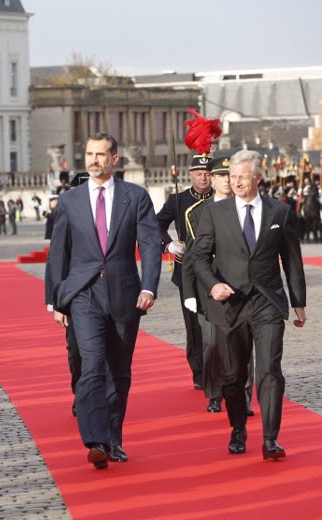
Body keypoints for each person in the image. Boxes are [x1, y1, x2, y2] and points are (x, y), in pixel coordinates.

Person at [49, 132, 161, 469]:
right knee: (92, 365)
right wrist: (55, 302)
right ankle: (95, 440)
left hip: (125, 294)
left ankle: (113, 439)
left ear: (114, 159)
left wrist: (149, 287)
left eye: (100, 154)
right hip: (84, 294)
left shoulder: (135, 197)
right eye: (89, 154)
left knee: (119, 371)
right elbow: (58, 254)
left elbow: (150, 245)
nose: (94, 160)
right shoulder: (69, 201)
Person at [190, 149, 306, 460]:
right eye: (232, 177)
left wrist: (298, 301)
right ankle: (238, 428)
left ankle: (270, 439)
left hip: (267, 302)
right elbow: (198, 257)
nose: (236, 182)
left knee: (270, 370)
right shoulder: (214, 213)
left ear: (257, 177)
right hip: (230, 303)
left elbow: (292, 259)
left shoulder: (279, 212)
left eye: (243, 177)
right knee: (233, 373)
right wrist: (213, 285)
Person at [181, 156, 247, 414]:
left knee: (243, 344)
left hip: (241, 286)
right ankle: (214, 393)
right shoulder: (198, 212)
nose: (227, 181)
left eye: (229, 176)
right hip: (208, 286)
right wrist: (189, 291)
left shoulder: (246, 206)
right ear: (213, 179)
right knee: (212, 344)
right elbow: (193, 255)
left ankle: (242, 397)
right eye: (220, 176)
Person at [156, 145, 214, 391]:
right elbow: (155, 225)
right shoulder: (177, 200)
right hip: (187, 270)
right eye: (199, 173)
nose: (203, 178)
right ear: (190, 174)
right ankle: (199, 371)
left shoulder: (222, 198)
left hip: (217, 268)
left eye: (207, 173)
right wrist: (169, 244)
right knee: (194, 325)